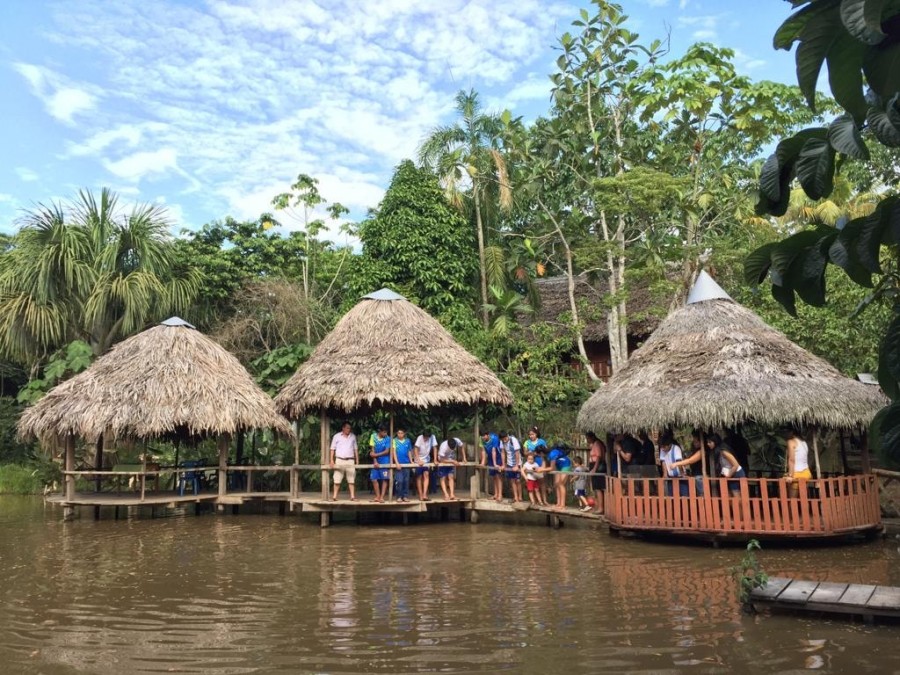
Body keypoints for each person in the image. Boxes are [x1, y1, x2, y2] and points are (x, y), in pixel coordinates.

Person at [330, 421, 359, 501]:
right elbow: (332, 449)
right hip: (339, 460)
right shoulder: (336, 436)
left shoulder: (353, 436)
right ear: (343, 428)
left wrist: (357, 460)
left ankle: (352, 496)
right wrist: (331, 460)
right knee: (337, 479)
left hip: (350, 460)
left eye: (349, 428)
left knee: (351, 479)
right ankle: (334, 496)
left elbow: (355, 449)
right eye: (347, 428)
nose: (348, 430)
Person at [545, 439, 573, 509]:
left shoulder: (552, 453)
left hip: (565, 464)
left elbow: (551, 468)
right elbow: (553, 467)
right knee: (557, 484)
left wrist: (541, 470)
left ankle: (562, 505)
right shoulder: (549, 455)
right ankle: (558, 503)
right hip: (558, 466)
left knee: (561, 484)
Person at [658, 431, 688, 497]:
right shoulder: (662, 450)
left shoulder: (676, 449)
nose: (662, 449)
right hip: (670, 477)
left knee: (684, 496)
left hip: (680, 476)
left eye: (664, 447)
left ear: (669, 445)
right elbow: (663, 462)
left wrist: (682, 474)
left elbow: (679, 462)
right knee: (672, 497)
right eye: (661, 447)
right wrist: (665, 474)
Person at [368, 425, 392, 503]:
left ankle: (382, 497)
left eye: (386, 432)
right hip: (376, 460)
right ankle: (377, 496)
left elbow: (387, 451)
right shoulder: (373, 436)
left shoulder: (388, 438)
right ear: (380, 431)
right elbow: (372, 449)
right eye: (384, 432)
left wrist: (375, 455)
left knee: (385, 478)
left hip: (385, 460)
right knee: (374, 478)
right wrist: (375, 460)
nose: (385, 434)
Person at [785, 429, 811, 497]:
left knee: (793, 501)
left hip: (796, 474)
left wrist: (790, 476)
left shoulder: (791, 442)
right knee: (804, 500)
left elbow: (791, 460)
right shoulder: (804, 443)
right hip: (806, 472)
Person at [499, 431, 523, 503]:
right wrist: (503, 464)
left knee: (518, 481)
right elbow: (503, 452)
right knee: (512, 480)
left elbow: (517, 452)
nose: (504, 440)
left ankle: (520, 497)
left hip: (517, 463)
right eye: (502, 439)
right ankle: (515, 497)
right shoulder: (502, 442)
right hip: (509, 463)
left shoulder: (513, 440)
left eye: (505, 438)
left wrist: (517, 465)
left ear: (507, 435)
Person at [586, 431, 607, 515]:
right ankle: (598, 506)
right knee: (596, 488)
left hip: (597, 466)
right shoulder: (595, 444)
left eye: (587, 438)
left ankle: (601, 508)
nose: (587, 440)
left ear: (591, 437)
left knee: (598, 488)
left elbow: (598, 456)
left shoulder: (597, 443)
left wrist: (594, 468)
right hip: (595, 466)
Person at [391, 426, 413, 502]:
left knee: (406, 481)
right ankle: (399, 496)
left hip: (406, 463)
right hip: (399, 464)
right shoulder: (394, 440)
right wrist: (396, 463)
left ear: (404, 434)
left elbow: (409, 451)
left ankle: (405, 496)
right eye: (398, 433)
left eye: (401, 433)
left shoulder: (408, 441)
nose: (400, 434)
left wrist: (411, 461)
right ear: (397, 433)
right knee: (399, 481)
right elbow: (394, 452)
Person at [414, 430, 437, 501]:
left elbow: (435, 448)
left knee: (426, 475)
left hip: (426, 460)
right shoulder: (419, 438)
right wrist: (418, 460)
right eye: (424, 437)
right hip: (418, 459)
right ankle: (420, 495)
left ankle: (424, 495)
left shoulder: (432, 438)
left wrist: (435, 459)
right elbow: (415, 449)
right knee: (419, 477)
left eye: (427, 437)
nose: (425, 438)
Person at [480, 431, 503, 501]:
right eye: (481, 436)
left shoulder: (494, 438)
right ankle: (495, 494)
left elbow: (494, 451)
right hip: (490, 458)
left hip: (498, 457)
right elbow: (483, 450)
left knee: (498, 476)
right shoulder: (481, 439)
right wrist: (483, 462)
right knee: (494, 477)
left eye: (484, 436)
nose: (483, 438)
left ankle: (500, 495)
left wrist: (495, 463)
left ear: (487, 435)